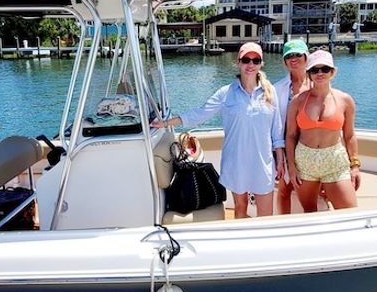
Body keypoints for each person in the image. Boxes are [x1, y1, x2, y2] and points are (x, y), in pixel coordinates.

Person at [152, 42, 285, 218]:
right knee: (240, 209)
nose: (250, 64)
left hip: (263, 162)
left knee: (266, 215)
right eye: (246, 60)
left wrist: (281, 159)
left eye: (255, 60)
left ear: (261, 63)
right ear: (238, 62)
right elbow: (200, 113)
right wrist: (167, 122)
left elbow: (277, 131)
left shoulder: (271, 92)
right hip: (236, 161)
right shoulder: (226, 93)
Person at [285, 50, 360, 212]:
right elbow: (290, 136)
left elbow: (350, 135)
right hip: (305, 163)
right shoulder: (297, 101)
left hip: (335, 163)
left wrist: (355, 166)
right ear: (309, 74)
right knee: (310, 213)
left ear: (333, 72)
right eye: (314, 70)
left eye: (325, 69)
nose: (320, 73)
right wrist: (291, 167)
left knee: (350, 213)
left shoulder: (345, 100)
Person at [273, 39, 309, 214]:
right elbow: (274, 122)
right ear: (284, 61)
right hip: (288, 145)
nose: (293, 59)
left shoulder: (317, 82)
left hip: (312, 146)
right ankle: (283, 222)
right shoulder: (277, 88)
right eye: (289, 56)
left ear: (306, 57)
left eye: (297, 54)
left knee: (315, 187)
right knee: (285, 187)